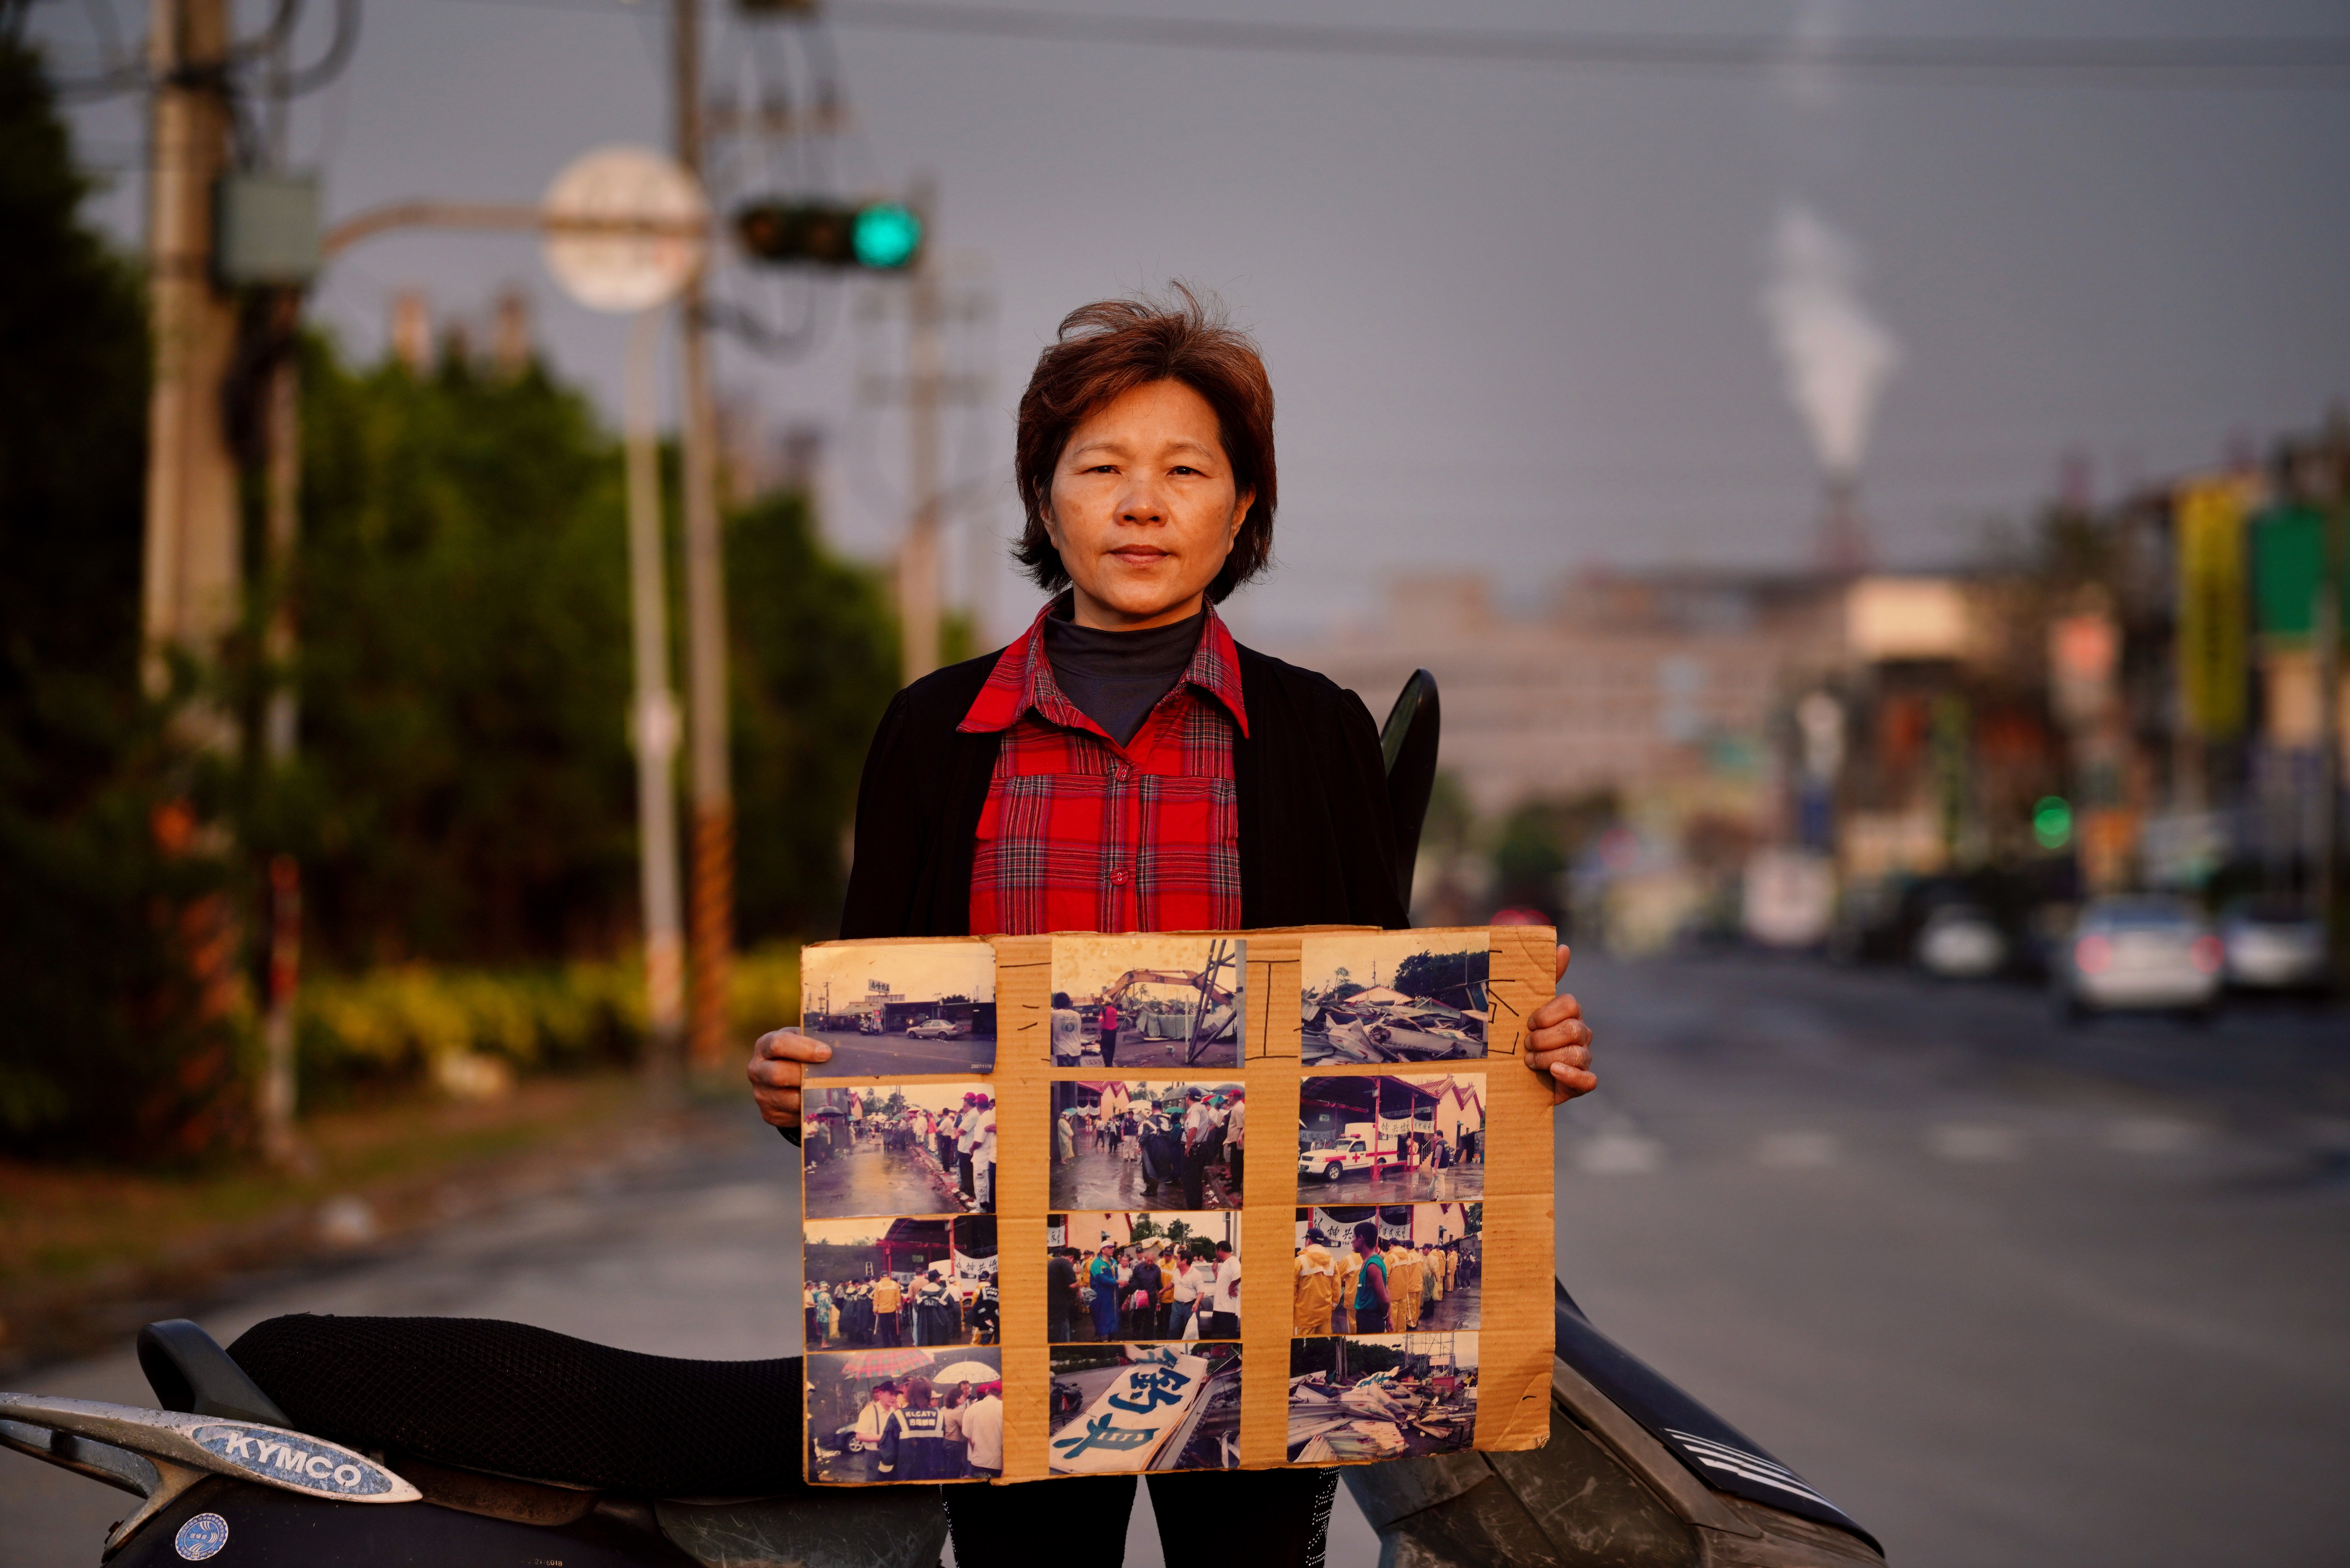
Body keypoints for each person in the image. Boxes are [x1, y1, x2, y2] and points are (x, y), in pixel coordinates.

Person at [748, 288, 1598, 1568]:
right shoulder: (932, 734)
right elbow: (878, 1027)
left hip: (1269, 1309)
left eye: (1185, 471)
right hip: (1004, 1308)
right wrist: (799, 1084)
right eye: (1102, 468)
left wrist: (1515, 1055)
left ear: (1241, 508)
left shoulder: (1316, 734)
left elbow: (1377, 1030)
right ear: (1046, 502)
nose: (1141, 504)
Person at [1293, 1229, 1337, 1337]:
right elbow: (1336, 1290)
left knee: (1302, 1344)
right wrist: (1332, 1308)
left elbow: (1292, 1290)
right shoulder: (1332, 1262)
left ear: (1308, 1241)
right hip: (1325, 1316)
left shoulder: (1300, 1261)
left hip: (1304, 1318)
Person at [1351, 1223, 1390, 1335]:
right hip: (1368, 1318)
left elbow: (1385, 1300)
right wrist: (1389, 1318)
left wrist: (1385, 1317)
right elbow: (1386, 1290)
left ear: (1360, 1239)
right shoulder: (1372, 1261)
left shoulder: (1372, 1266)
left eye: (1353, 1237)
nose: (1352, 1241)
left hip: (1370, 1321)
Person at [1200, 1238, 1241, 1340]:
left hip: (1227, 1310)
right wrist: (1215, 1272)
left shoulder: (1233, 1261)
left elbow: (1240, 1274)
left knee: (1225, 1339)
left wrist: (1231, 1287)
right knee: (1217, 1337)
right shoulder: (1226, 1263)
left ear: (1220, 1250)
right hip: (1220, 1309)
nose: (1216, 1253)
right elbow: (1223, 1281)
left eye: (1216, 1250)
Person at [1180, 1087, 1214, 1210]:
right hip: (1201, 1147)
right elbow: (1213, 1124)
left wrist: (1188, 1146)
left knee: (1190, 1181)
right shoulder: (1203, 1108)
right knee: (1196, 1180)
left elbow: (1193, 1128)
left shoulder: (1195, 1110)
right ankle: (1196, 1206)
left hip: (1194, 1149)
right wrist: (1203, 1135)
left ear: (1188, 1097)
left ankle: (1193, 1207)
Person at [963, 1384, 1005, 1480]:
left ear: (987, 1392)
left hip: (978, 1462)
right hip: (998, 1464)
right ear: (1002, 1395)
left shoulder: (972, 1408)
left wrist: (975, 1451)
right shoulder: (1004, 1408)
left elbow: (968, 1436)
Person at [1088, 1243, 1122, 1342]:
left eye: (1113, 1248)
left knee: (1113, 1314)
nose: (1112, 1250)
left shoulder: (1114, 1262)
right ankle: (1099, 1336)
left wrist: (1117, 1283)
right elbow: (1100, 1278)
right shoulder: (1096, 1263)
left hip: (1113, 1293)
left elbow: (1115, 1276)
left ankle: (1111, 1337)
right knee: (1101, 1314)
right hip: (1101, 1294)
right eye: (1110, 1248)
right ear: (1103, 1250)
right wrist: (1117, 1282)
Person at [1047, 1246, 1080, 1345]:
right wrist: (1079, 1288)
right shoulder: (1065, 1263)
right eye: (1074, 1263)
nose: (1072, 1265)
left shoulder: (1054, 1261)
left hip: (1052, 1304)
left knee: (1054, 1334)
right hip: (1059, 1306)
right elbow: (1073, 1285)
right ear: (1071, 1258)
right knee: (1063, 1335)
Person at [871, 1271, 903, 1347]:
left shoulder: (878, 1285)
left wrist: (875, 1310)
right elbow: (898, 1297)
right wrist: (898, 1307)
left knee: (884, 1329)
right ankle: (896, 1342)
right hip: (892, 1310)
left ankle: (887, 1344)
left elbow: (876, 1299)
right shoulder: (894, 1284)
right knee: (894, 1327)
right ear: (889, 1276)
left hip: (882, 1310)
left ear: (881, 1277)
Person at [1224, 1088, 1245, 1193]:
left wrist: (1240, 1138)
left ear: (1233, 1098)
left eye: (1230, 1097)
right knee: (1234, 1163)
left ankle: (1236, 1185)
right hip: (1235, 1140)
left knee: (1237, 1164)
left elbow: (1242, 1126)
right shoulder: (1237, 1107)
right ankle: (1235, 1182)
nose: (1228, 1098)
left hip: (1238, 1141)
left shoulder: (1238, 1108)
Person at [1098, 998, 1120, 1068]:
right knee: (1111, 1047)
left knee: (1104, 1047)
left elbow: (1101, 1022)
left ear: (1105, 1004)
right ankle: (1110, 1063)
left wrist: (1099, 1032)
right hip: (1113, 1032)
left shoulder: (1104, 1011)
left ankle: (1107, 1064)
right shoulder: (1115, 1010)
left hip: (1106, 1032)